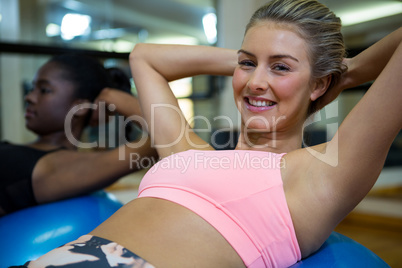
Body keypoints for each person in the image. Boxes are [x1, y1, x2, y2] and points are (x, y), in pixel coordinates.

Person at [18, 0, 401, 267]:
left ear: (319, 85)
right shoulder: (186, 151)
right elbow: (145, 57)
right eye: (247, 64)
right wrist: (255, 61)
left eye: (281, 68)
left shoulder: (320, 174)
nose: (255, 83)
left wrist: (345, 72)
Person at [0, 53, 157, 216]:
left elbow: (171, 138)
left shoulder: (55, 168)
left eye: (44, 90)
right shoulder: (41, 162)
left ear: (80, 107)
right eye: (32, 89)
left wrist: (111, 96)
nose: (29, 97)